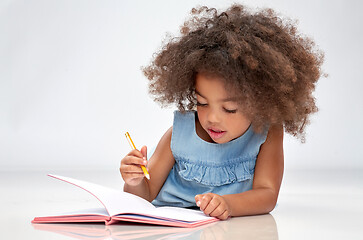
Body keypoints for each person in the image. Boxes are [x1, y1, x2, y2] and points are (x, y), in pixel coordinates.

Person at [120, 4, 324, 220]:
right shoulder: (179, 135)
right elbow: (145, 194)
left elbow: (268, 194)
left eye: (229, 109)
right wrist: (135, 181)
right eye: (202, 103)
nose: (213, 118)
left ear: (261, 102)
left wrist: (228, 204)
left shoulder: (267, 133)